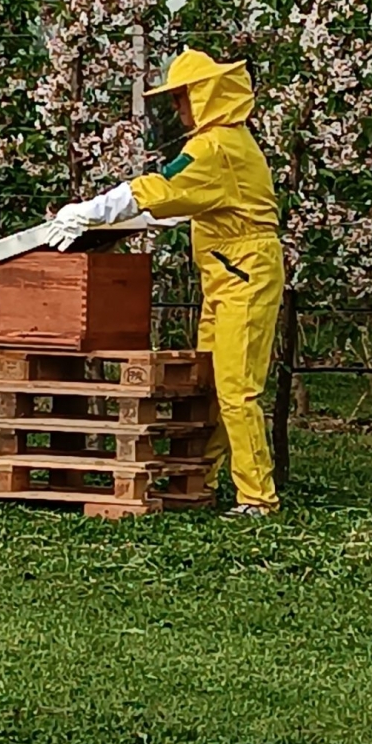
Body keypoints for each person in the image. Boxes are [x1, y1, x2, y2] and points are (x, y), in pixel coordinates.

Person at [46, 49, 284, 516]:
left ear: (206, 96)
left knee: (236, 387)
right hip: (229, 274)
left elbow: (159, 187)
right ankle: (205, 479)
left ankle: (258, 497)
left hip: (244, 276)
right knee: (214, 382)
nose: (177, 110)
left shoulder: (213, 148)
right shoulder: (226, 143)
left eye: (182, 99)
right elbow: (192, 201)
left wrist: (92, 210)